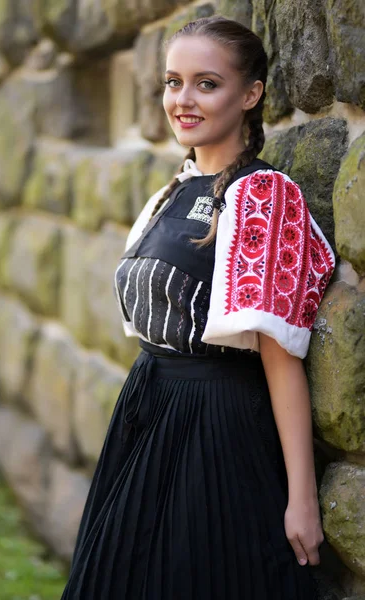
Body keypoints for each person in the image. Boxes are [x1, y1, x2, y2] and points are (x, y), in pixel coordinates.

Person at [61, 15, 335, 600]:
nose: (182, 100)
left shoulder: (262, 195)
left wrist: (301, 499)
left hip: (215, 425)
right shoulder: (178, 189)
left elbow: (280, 353)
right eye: (172, 81)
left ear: (251, 94)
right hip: (149, 409)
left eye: (206, 84)